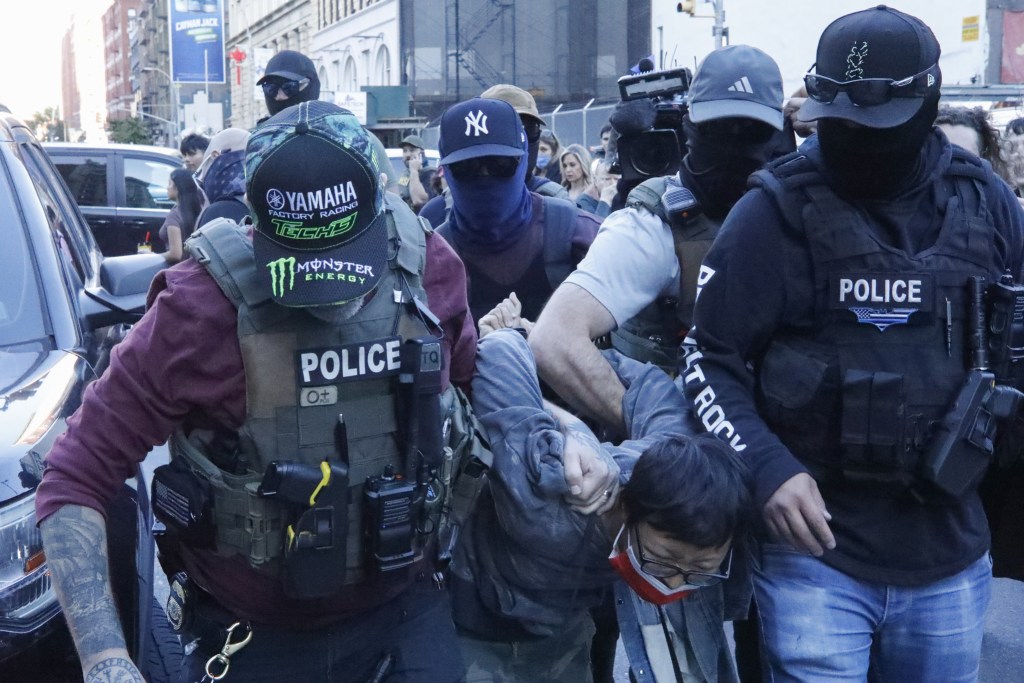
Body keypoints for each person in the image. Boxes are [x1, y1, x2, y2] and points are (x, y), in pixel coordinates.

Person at [35, 100, 476, 683]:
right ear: (258, 229)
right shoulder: (198, 307)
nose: (334, 298)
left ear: (380, 213)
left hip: (405, 613)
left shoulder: (430, 266)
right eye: (306, 267)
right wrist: (106, 661)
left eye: (347, 262)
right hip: (253, 636)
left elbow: (471, 386)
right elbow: (74, 477)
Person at [680, 7, 1024, 681]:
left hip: (949, 551)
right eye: (836, 124)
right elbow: (707, 360)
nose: (851, 143)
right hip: (817, 558)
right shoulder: (772, 212)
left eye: (872, 128)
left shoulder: (983, 202)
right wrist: (766, 468)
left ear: (925, 107)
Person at [453, 302, 752, 683]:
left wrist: (540, 351)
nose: (674, 584)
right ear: (627, 507)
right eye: (663, 560)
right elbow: (495, 356)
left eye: (701, 572)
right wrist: (514, 339)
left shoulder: (662, 464)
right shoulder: (547, 497)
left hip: (565, 630)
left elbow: (649, 391)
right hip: (478, 618)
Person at [530, 43, 785, 428]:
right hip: (692, 457)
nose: (735, 143)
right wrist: (656, 426)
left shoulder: (801, 206)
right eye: (718, 128)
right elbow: (554, 341)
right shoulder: (652, 224)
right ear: (690, 127)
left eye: (752, 130)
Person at [435, 97, 600, 324]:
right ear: (445, 170)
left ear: (523, 160)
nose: (485, 177)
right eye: (467, 168)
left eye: (499, 165)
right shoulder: (432, 258)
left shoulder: (576, 233)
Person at [481, 83, 569, 199]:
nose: (522, 139)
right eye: (507, 128)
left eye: (530, 129)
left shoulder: (554, 200)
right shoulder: (459, 199)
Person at [195, 128, 251, 227]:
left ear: (215, 155)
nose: (202, 178)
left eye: (204, 167)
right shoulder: (268, 205)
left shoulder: (218, 212)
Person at [256, 49, 321, 123]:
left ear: (311, 86)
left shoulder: (333, 129)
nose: (280, 97)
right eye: (271, 89)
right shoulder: (259, 133)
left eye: (289, 87)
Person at [159, 168, 203, 263]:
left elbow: (175, 254)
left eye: (169, 183)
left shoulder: (174, 216)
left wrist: (152, 257)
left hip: (177, 269)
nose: (167, 187)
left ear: (178, 187)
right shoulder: (198, 210)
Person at [397, 133, 434, 211]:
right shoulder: (406, 174)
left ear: (422, 154)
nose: (407, 154)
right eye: (405, 151)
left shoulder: (430, 174)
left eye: (412, 150)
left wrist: (414, 170)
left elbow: (418, 201)